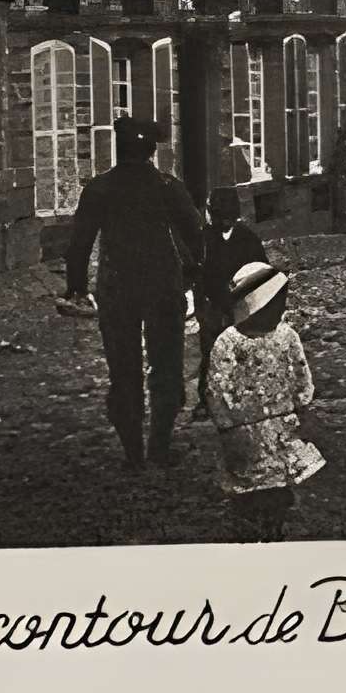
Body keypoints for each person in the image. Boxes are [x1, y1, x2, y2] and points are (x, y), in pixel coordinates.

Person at [59, 116, 207, 468]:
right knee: (166, 365)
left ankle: (132, 453)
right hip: (162, 286)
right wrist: (192, 274)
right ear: (151, 150)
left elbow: (78, 245)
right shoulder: (167, 186)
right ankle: (160, 446)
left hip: (117, 288)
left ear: (119, 148)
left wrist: (77, 287)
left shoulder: (99, 189)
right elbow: (195, 233)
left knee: (122, 369)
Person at [202, 261, 323, 540]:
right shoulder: (229, 343)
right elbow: (217, 389)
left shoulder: (285, 336)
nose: (281, 309)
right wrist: (226, 423)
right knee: (254, 487)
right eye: (276, 303)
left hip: (275, 429)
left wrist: (300, 406)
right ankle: (258, 530)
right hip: (246, 432)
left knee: (275, 488)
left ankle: (271, 528)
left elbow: (300, 374)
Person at [196, 186, 270, 345]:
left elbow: (263, 275)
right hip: (213, 309)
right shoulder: (204, 238)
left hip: (242, 310)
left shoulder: (248, 239)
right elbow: (197, 275)